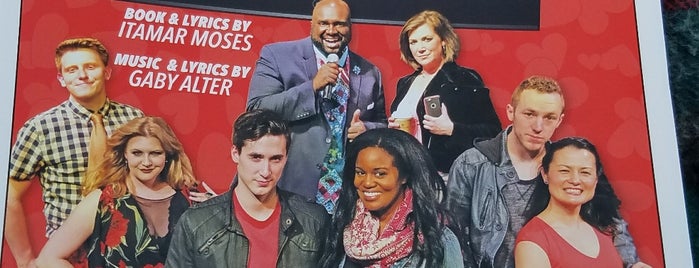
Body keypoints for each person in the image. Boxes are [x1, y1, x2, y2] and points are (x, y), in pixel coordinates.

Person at [444, 75, 647, 267]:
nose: (538, 126)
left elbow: (611, 219)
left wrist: (631, 263)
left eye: (549, 117)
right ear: (510, 112)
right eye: (530, 114)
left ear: (560, 120)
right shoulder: (472, 164)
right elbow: (454, 236)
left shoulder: (570, 163)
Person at [5, 37, 144, 267]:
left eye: (90, 67)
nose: (82, 75)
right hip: (65, 255)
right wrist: (24, 260)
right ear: (61, 79)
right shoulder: (40, 127)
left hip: (124, 249)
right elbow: (10, 196)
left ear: (107, 72)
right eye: (71, 69)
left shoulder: (135, 119)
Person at [246, 0, 387, 214]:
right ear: (312, 24)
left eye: (339, 24)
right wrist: (311, 87)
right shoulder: (278, 56)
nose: (331, 31)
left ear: (350, 27)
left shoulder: (369, 72)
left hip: (347, 199)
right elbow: (256, 110)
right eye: (324, 23)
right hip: (290, 190)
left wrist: (367, 129)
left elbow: (382, 124)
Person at [165, 109, 330, 267]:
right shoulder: (196, 222)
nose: (265, 171)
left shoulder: (313, 220)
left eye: (276, 159)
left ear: (286, 158)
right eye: (256, 157)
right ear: (235, 153)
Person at [34, 116, 197, 267]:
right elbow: (48, 259)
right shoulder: (104, 201)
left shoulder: (187, 200)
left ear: (167, 155)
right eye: (137, 153)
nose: (146, 162)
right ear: (124, 153)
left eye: (155, 153)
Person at [320, 128, 463, 267]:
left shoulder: (438, 239)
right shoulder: (343, 225)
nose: (367, 183)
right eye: (361, 173)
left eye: (380, 174)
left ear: (404, 176)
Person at [390, 10, 501, 176]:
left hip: (445, 176)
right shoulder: (405, 83)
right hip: (407, 172)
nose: (420, 48)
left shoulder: (464, 78)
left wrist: (451, 129)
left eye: (427, 39)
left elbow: (493, 132)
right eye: (413, 42)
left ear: (443, 41)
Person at [515, 137, 632, 267]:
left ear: (596, 179)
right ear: (545, 174)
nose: (575, 180)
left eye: (585, 172)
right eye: (564, 171)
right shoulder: (533, 241)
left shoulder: (605, 228)